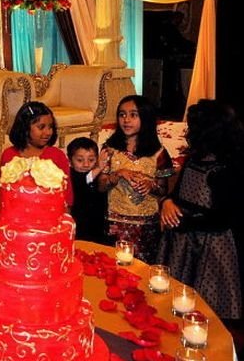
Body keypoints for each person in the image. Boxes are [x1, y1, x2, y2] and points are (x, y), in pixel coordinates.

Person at [156, 99, 243, 319]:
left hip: (209, 245)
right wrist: (167, 202)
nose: (187, 130)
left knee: (205, 306)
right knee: (176, 301)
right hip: (183, 240)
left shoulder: (224, 170)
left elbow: (223, 219)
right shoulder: (193, 160)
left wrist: (185, 223)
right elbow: (177, 194)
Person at [97, 95, 174, 263]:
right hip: (115, 223)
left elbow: (163, 190)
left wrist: (150, 184)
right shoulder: (110, 149)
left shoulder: (158, 153)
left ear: (145, 118)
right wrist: (118, 174)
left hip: (146, 227)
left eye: (133, 115)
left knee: (143, 273)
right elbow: (100, 186)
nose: (126, 120)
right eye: (122, 114)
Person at [0, 101, 73, 207]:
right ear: (25, 128)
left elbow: (67, 195)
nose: (48, 132)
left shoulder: (57, 155)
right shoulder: (9, 155)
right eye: (41, 127)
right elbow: (4, 194)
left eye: (50, 127)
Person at [67, 137, 110, 244]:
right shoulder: (70, 175)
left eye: (91, 160)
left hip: (97, 225)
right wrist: (98, 168)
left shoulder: (99, 176)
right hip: (79, 225)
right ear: (70, 161)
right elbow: (84, 180)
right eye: (80, 160)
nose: (86, 164)